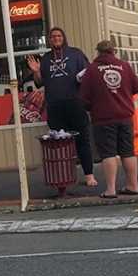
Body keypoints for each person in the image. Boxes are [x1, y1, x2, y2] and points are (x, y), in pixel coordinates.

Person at [26, 27, 96, 188]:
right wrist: (36, 72)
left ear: (63, 38)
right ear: (49, 40)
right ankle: (65, 178)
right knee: (59, 144)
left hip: (75, 104)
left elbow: (88, 73)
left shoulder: (76, 54)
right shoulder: (45, 59)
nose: (56, 38)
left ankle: (89, 176)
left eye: (59, 36)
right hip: (55, 107)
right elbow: (39, 83)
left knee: (82, 140)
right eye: (52, 36)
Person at [79, 40, 138, 198]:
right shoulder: (124, 66)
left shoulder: (92, 70)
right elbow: (136, 86)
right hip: (125, 116)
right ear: (113, 51)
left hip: (103, 118)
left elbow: (83, 97)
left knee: (108, 154)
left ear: (98, 52)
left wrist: (90, 108)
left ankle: (111, 189)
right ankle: (133, 185)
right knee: (128, 152)